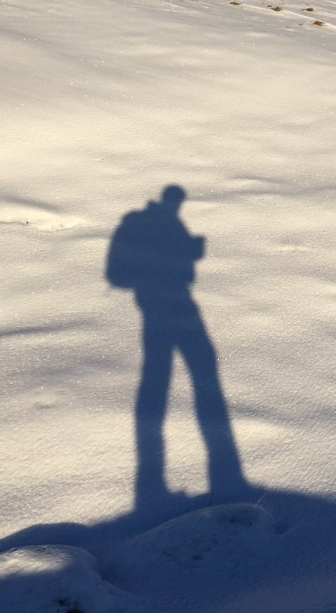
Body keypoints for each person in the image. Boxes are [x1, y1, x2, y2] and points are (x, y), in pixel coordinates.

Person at [106, 185, 246, 507]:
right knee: (178, 370)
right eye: (176, 202)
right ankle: (177, 473)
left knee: (176, 370)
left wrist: (188, 250)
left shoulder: (166, 223)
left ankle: (155, 478)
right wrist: (175, 258)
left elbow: (172, 259)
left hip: (175, 300)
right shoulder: (146, 225)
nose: (177, 206)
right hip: (161, 304)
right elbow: (122, 273)